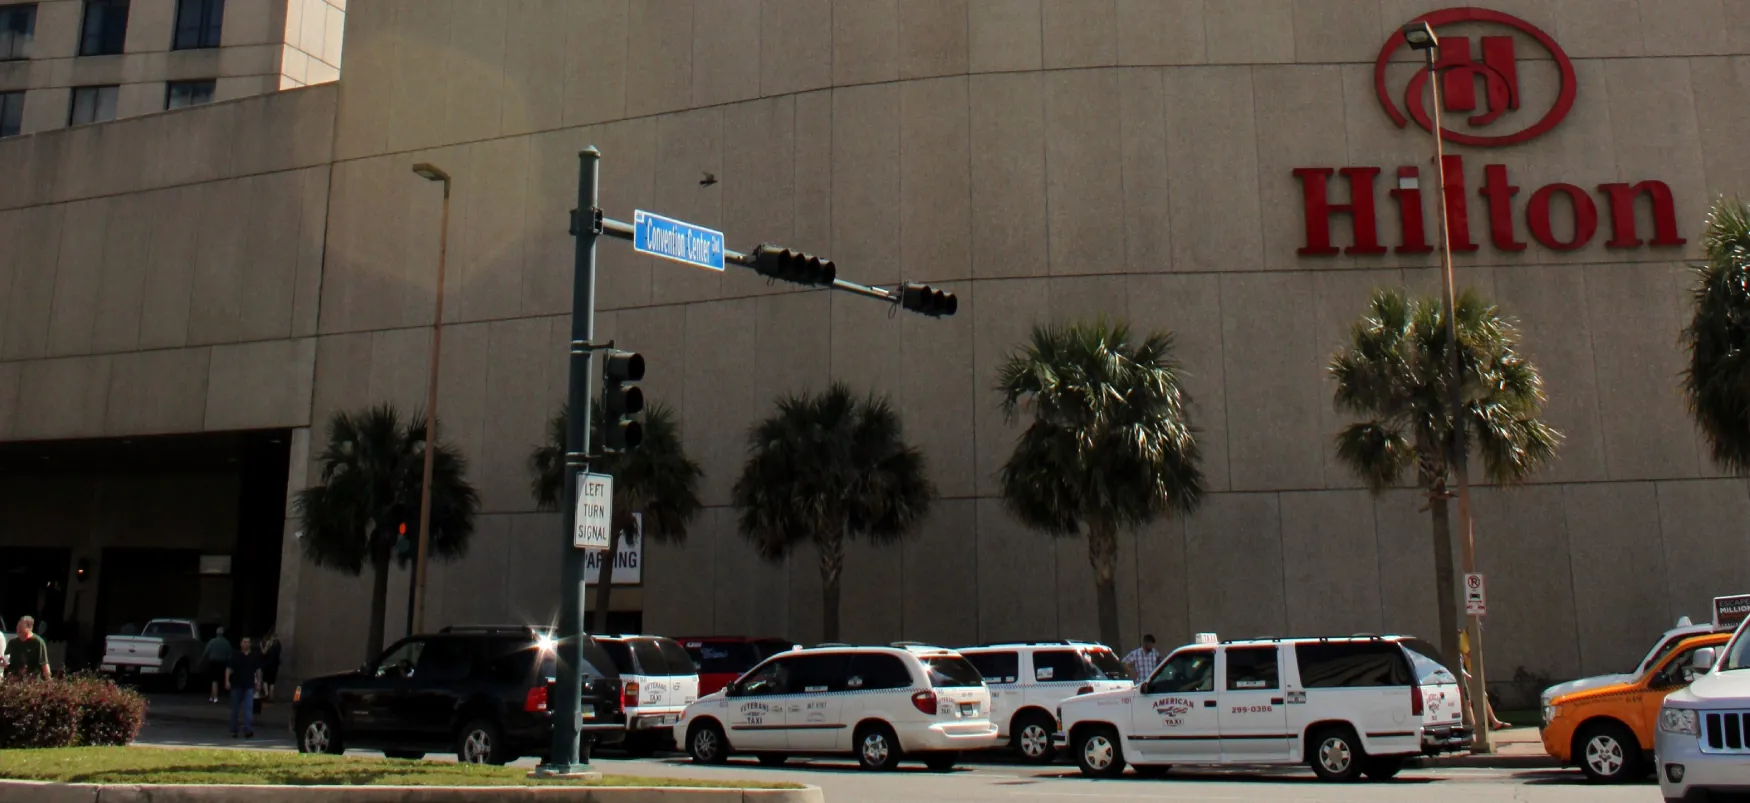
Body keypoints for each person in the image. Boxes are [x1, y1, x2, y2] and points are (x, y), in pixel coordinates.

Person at [226, 636, 263, 739]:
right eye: (244, 642)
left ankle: (248, 730)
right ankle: (233, 730)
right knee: (235, 709)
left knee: (248, 709)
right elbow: (229, 669)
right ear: (241, 644)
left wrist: (259, 682)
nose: (246, 644)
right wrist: (227, 681)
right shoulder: (235, 655)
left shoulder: (254, 656)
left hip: (249, 685)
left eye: (248, 642)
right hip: (236, 685)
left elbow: (258, 670)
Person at [4, 616, 51, 681]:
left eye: (21, 627)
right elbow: (6, 663)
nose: (18, 629)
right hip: (14, 681)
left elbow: (44, 664)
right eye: (18, 626)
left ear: (29, 628)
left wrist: (49, 682)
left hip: (32, 682)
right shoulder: (12, 643)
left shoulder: (38, 642)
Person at [203, 626, 232, 703]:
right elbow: (230, 655)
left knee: (214, 680)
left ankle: (214, 697)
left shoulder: (212, 641)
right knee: (220, 680)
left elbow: (206, 652)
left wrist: (202, 660)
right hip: (223, 662)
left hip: (213, 662)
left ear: (216, 633)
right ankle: (212, 696)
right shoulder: (227, 643)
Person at [260, 632, 282, 703]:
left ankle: (266, 694)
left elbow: (264, 652)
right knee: (272, 681)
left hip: (267, 664)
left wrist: (261, 646)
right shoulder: (278, 645)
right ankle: (271, 695)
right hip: (275, 665)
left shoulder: (269, 643)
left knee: (265, 680)